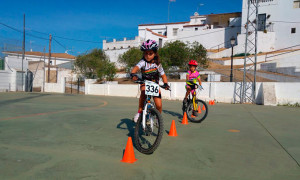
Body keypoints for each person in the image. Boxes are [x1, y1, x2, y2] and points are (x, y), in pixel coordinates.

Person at [130, 39, 170, 123]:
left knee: (158, 105)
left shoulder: (158, 64)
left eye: (150, 53)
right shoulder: (143, 62)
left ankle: (158, 118)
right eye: (146, 53)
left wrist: (166, 84)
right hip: (144, 82)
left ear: (155, 53)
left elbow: (163, 75)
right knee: (143, 93)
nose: (148, 56)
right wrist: (133, 73)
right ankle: (139, 112)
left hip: (155, 84)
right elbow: (136, 67)